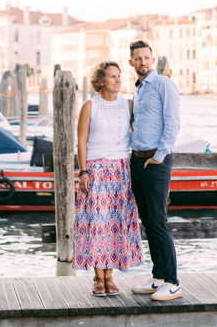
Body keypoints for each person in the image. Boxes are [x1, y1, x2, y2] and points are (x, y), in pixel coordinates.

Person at [74, 61, 143, 296]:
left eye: (118, 76)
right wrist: (83, 172)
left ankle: (110, 277)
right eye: (112, 76)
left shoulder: (129, 105)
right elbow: (81, 141)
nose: (117, 80)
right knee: (97, 224)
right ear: (101, 81)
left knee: (115, 224)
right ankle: (97, 278)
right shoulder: (89, 105)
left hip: (121, 171)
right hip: (96, 170)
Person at [128, 40, 183, 301]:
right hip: (137, 161)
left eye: (146, 58)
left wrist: (159, 156)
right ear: (132, 62)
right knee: (148, 221)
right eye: (137, 58)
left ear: (153, 59)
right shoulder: (138, 90)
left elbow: (172, 124)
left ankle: (172, 281)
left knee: (158, 220)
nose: (143, 62)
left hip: (156, 161)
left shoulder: (164, 85)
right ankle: (158, 277)